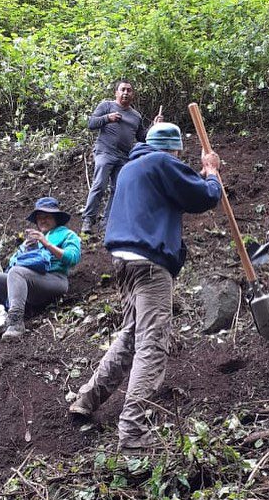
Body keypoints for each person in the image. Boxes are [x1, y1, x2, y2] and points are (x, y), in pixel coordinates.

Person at [69, 122, 222, 450]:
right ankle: (134, 430)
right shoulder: (162, 163)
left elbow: (176, 193)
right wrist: (210, 171)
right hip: (150, 264)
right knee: (152, 344)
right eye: (178, 152)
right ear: (173, 149)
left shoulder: (130, 169)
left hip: (123, 262)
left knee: (131, 334)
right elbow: (204, 196)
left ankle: (87, 397)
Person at [0, 197, 81, 340]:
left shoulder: (67, 234)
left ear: (56, 218)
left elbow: (73, 258)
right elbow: (13, 263)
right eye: (39, 218)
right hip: (25, 280)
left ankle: (15, 322)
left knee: (16, 272)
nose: (42, 220)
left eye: (47, 216)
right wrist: (26, 250)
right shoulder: (33, 239)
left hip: (54, 280)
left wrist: (46, 244)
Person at [81, 80, 162, 234]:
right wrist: (107, 118)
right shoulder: (106, 106)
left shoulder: (135, 116)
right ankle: (88, 220)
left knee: (118, 189)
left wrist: (153, 126)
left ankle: (107, 222)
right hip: (105, 152)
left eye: (129, 90)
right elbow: (91, 124)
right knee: (99, 184)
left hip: (124, 157)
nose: (125, 92)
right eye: (122, 89)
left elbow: (142, 137)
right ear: (116, 93)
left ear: (133, 94)